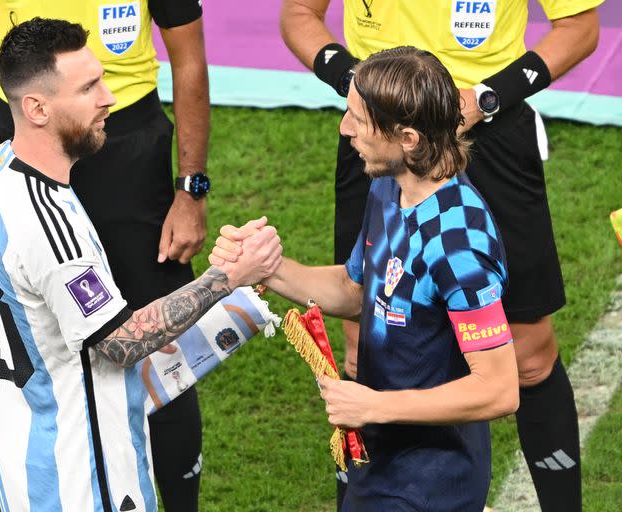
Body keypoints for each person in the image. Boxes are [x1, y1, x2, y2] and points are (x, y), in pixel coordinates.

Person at [280, 0, 602, 508]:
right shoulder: (370, 144)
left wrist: (489, 97)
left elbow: (581, 28)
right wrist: (360, 91)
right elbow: (298, 13)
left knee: (530, 358)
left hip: (489, 130)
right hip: (381, 133)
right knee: (368, 340)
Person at [0, 18, 282, 511]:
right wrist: (227, 278)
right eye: (89, 87)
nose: (108, 97)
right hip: (83, 481)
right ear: (37, 108)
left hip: (25, 460)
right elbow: (120, 343)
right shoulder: (50, 228)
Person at [212, 47, 519, 511]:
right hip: (380, 461)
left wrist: (374, 407)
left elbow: (498, 388)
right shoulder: (387, 186)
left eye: (358, 118)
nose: (344, 128)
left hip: (430, 483)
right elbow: (360, 291)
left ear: (408, 137)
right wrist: (265, 268)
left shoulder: (458, 244)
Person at [0, 0, 211, 508]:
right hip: (36, 130)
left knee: (161, 351)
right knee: (82, 335)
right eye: (91, 85)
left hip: (125, 154)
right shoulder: (6, 173)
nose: (102, 92)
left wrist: (190, 189)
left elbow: (188, 54)